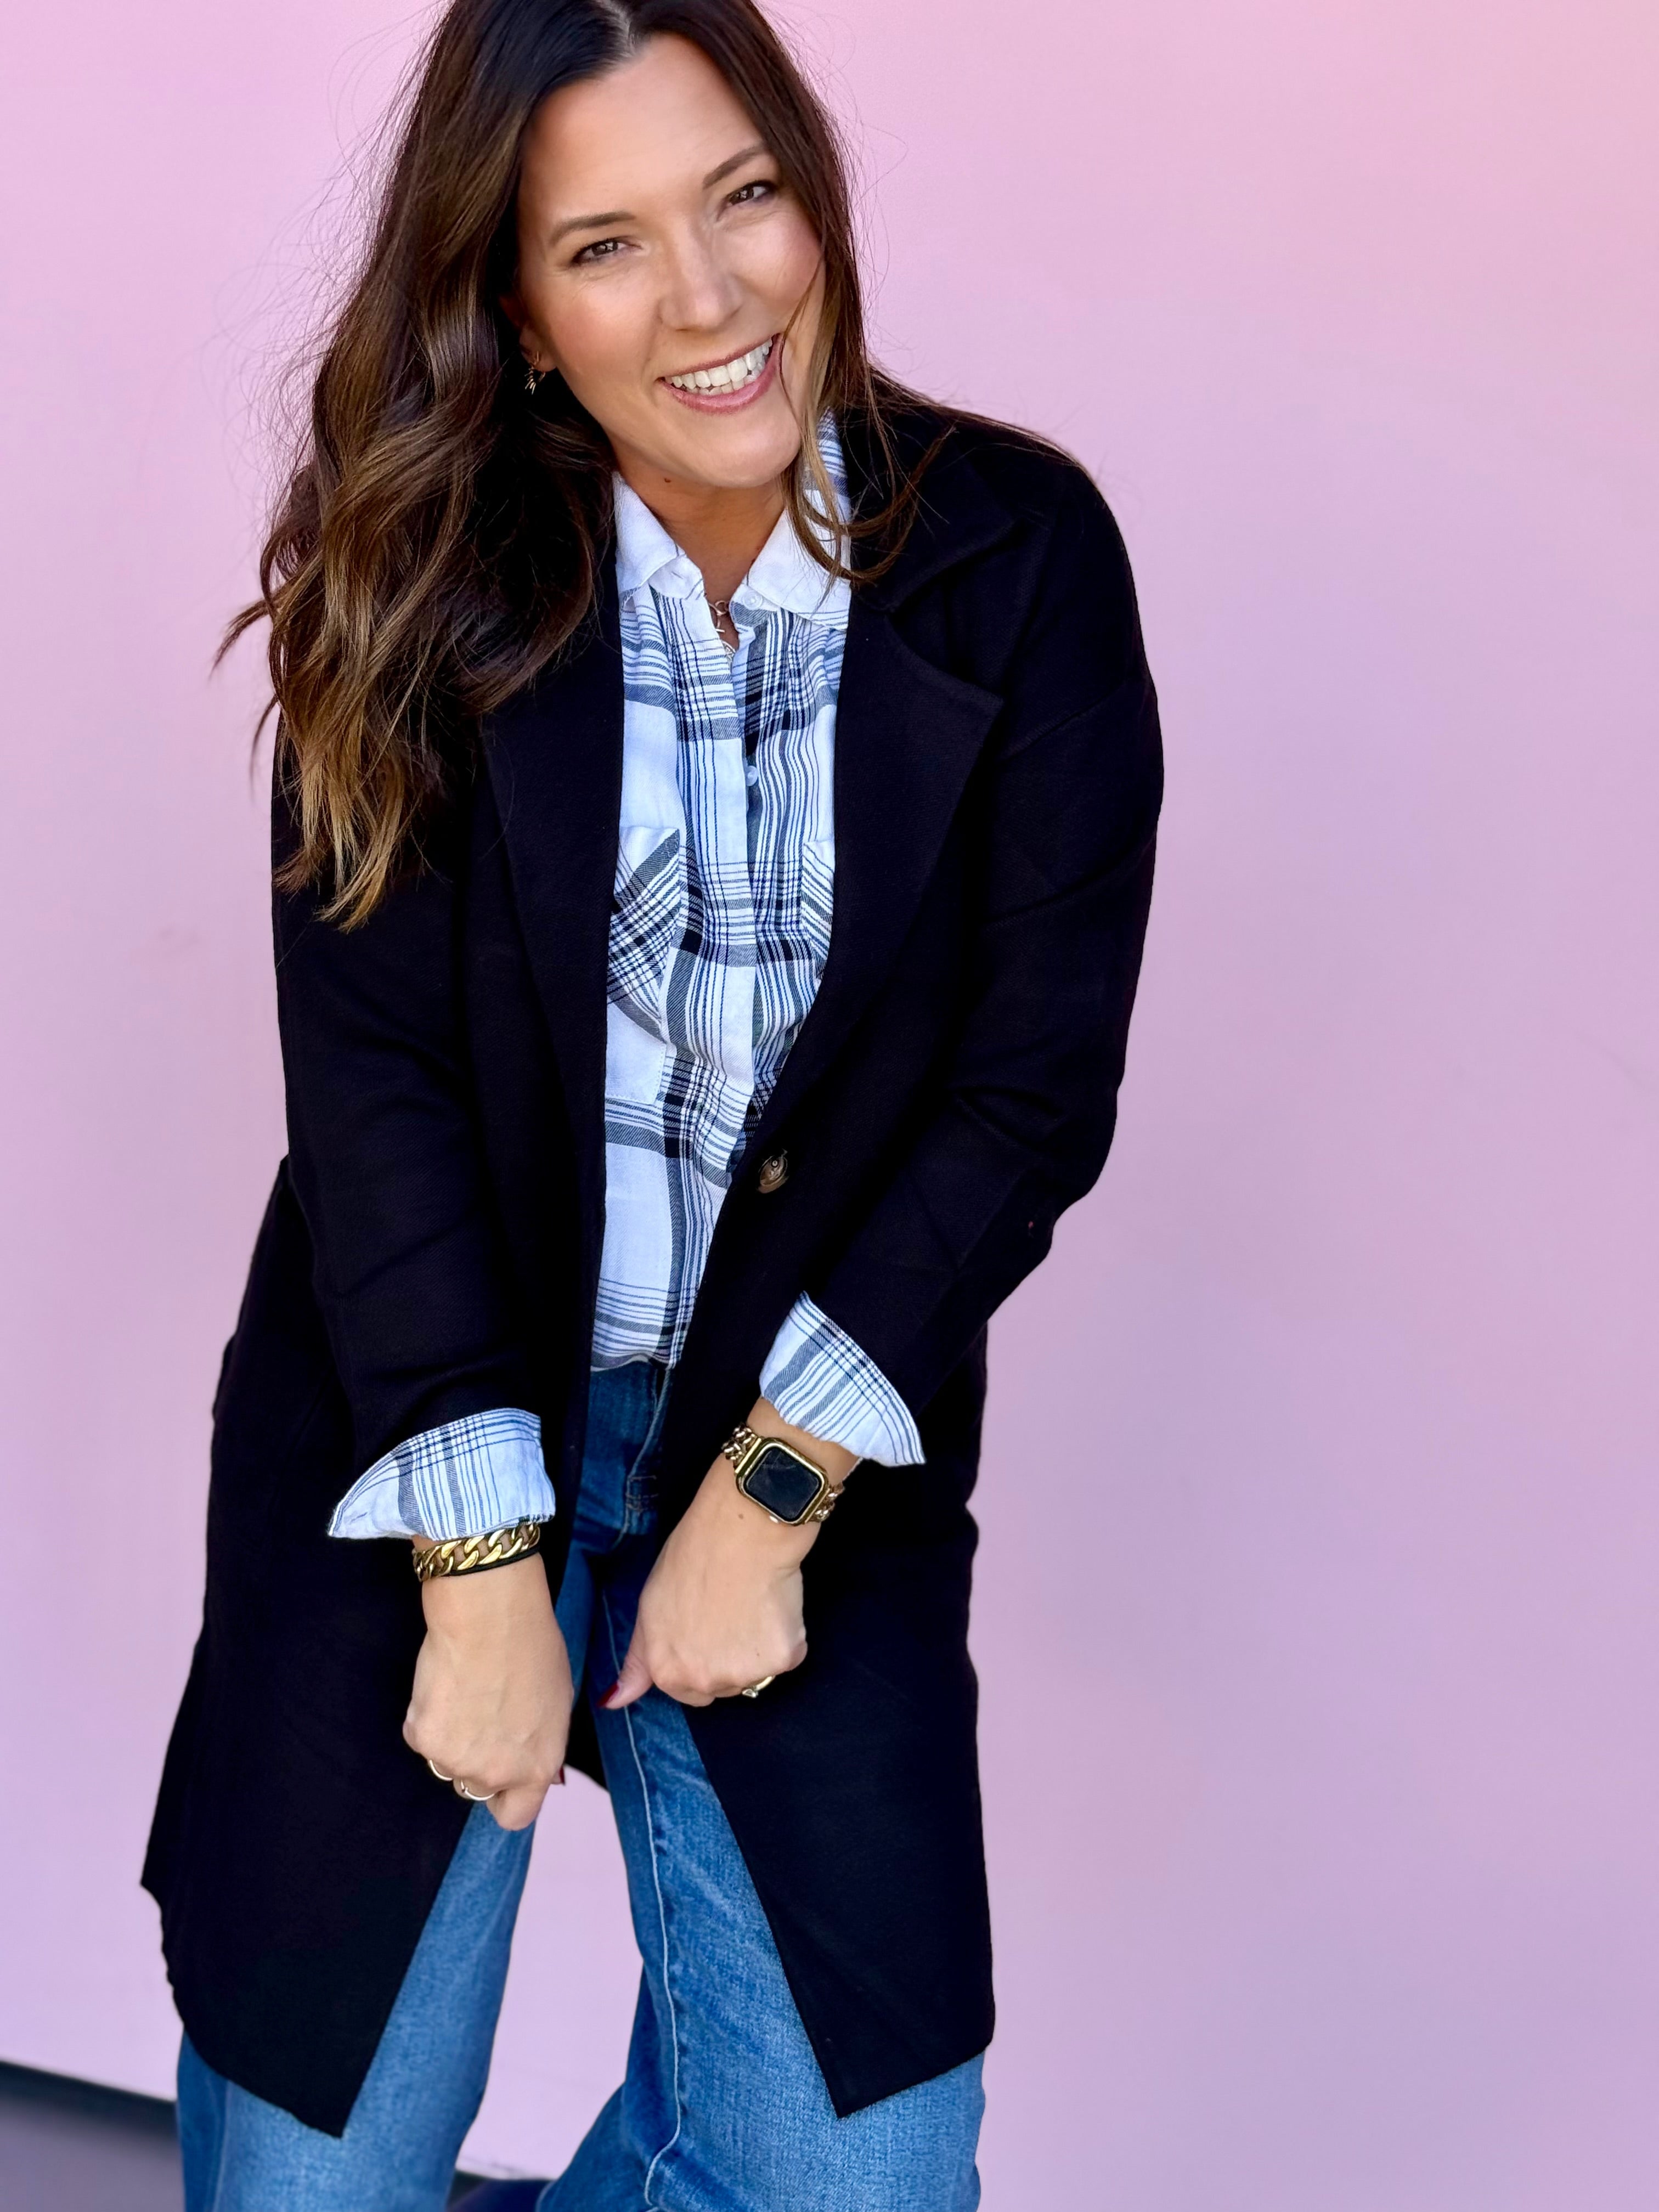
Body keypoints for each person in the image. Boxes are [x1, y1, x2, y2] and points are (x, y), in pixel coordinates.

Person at [143, 1, 1162, 2204]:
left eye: (745, 198)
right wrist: (481, 1573)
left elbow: (1028, 1090)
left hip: (809, 1442)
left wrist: (771, 1494)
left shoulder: (1021, 561)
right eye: (604, 247)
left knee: (850, 2186)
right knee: (316, 2175)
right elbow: (378, 1102)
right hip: (419, 1433)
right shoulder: (415, 581)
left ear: (814, 191)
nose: (709, 300)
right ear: (516, 313)